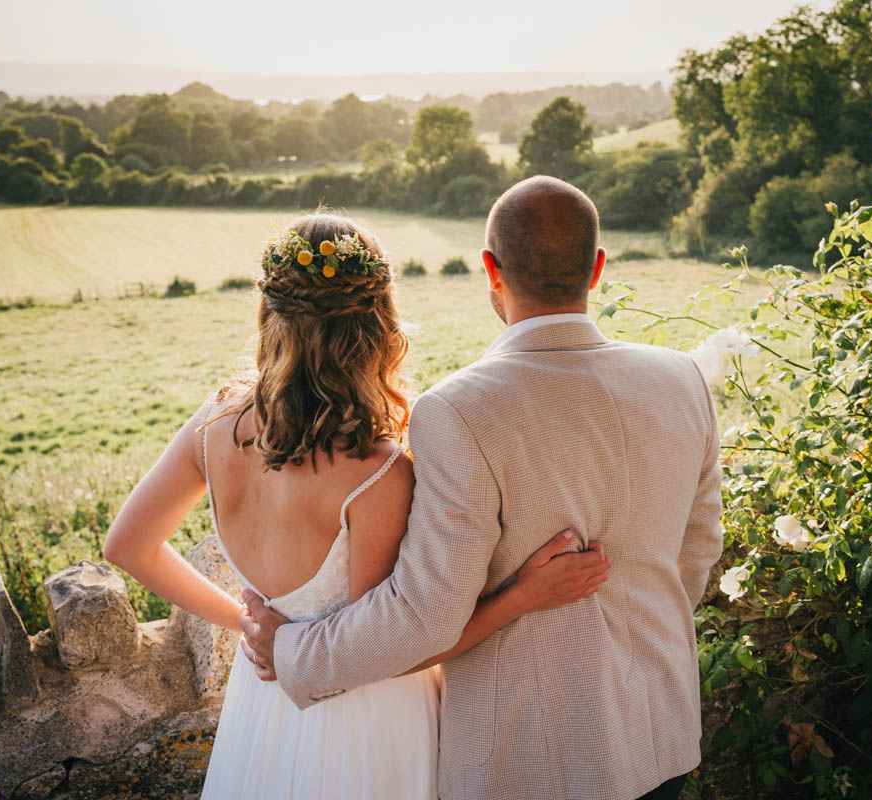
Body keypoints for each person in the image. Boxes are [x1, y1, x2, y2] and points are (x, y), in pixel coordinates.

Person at [242, 176, 724, 800]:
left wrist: (292, 651)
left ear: (491, 270)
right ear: (597, 268)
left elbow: (424, 615)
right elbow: (697, 554)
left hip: (530, 756)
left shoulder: (459, 410)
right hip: (662, 732)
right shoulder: (683, 379)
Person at [102, 211, 611, 799]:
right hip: (370, 723)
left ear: (269, 311)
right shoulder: (379, 472)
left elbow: (128, 546)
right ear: (379, 322)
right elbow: (395, 649)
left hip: (263, 700)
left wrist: (249, 623)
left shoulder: (214, 423)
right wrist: (524, 595)